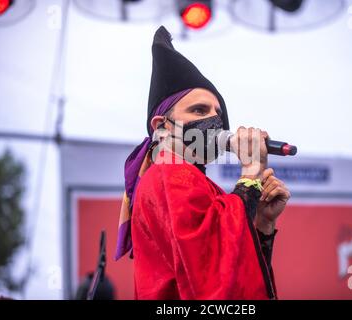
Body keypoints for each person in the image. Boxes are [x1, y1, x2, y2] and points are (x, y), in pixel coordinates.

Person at [115, 26, 291, 300]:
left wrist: (261, 224)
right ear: (162, 125)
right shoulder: (169, 173)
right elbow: (209, 282)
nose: (214, 119)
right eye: (199, 110)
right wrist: (251, 175)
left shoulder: (198, 182)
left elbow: (239, 280)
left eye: (217, 113)